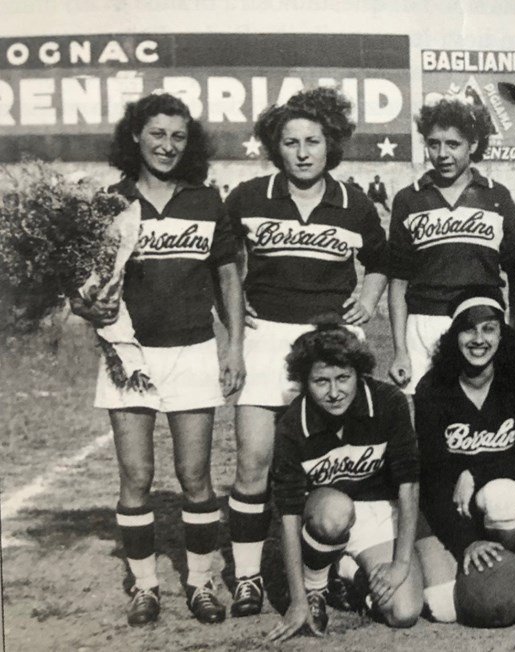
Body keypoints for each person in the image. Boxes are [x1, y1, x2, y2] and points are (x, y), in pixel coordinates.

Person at [70, 93, 244, 626]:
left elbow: (228, 276)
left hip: (192, 350)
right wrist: (85, 305)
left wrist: (234, 345)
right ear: (135, 137)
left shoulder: (205, 200)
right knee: (136, 475)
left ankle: (200, 581)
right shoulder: (110, 202)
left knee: (195, 475)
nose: (167, 146)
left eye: (178, 136)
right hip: (129, 352)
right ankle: (145, 586)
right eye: (157, 134)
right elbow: (82, 286)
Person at [225, 88, 389, 616]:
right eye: (290, 142)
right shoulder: (248, 196)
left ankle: (329, 569)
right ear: (275, 146)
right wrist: (229, 317)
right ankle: (248, 576)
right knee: (254, 461)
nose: (301, 152)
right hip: (266, 338)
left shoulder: (354, 202)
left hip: (330, 343)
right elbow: (221, 264)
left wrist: (368, 298)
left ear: (329, 144)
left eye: (312, 141)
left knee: (331, 465)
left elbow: (383, 260)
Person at [268, 319, 423, 641]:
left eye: (343, 378)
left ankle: (346, 572)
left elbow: (408, 484)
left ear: (359, 373)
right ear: (304, 381)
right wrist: (297, 600)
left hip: (377, 510)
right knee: (335, 510)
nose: (334, 392)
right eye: (321, 381)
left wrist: (400, 564)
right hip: (323, 518)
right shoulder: (292, 424)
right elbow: (289, 513)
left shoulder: (388, 402)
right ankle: (315, 585)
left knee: (404, 612)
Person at [388, 99, 515, 395]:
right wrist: (400, 350)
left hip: (481, 322)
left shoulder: (497, 197)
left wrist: (513, 336)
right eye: (433, 144)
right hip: (424, 324)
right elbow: (398, 281)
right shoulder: (409, 199)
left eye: (453, 144)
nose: (442, 154)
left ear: (472, 144)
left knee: (481, 412)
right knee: (426, 416)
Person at [414, 288, 515, 561]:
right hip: (447, 503)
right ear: (454, 337)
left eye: (489, 329)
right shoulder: (433, 387)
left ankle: (505, 562)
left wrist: (474, 473)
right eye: (468, 329)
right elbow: (432, 474)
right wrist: (466, 542)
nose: (479, 339)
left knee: (502, 498)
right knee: (441, 588)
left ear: (501, 335)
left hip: (498, 498)